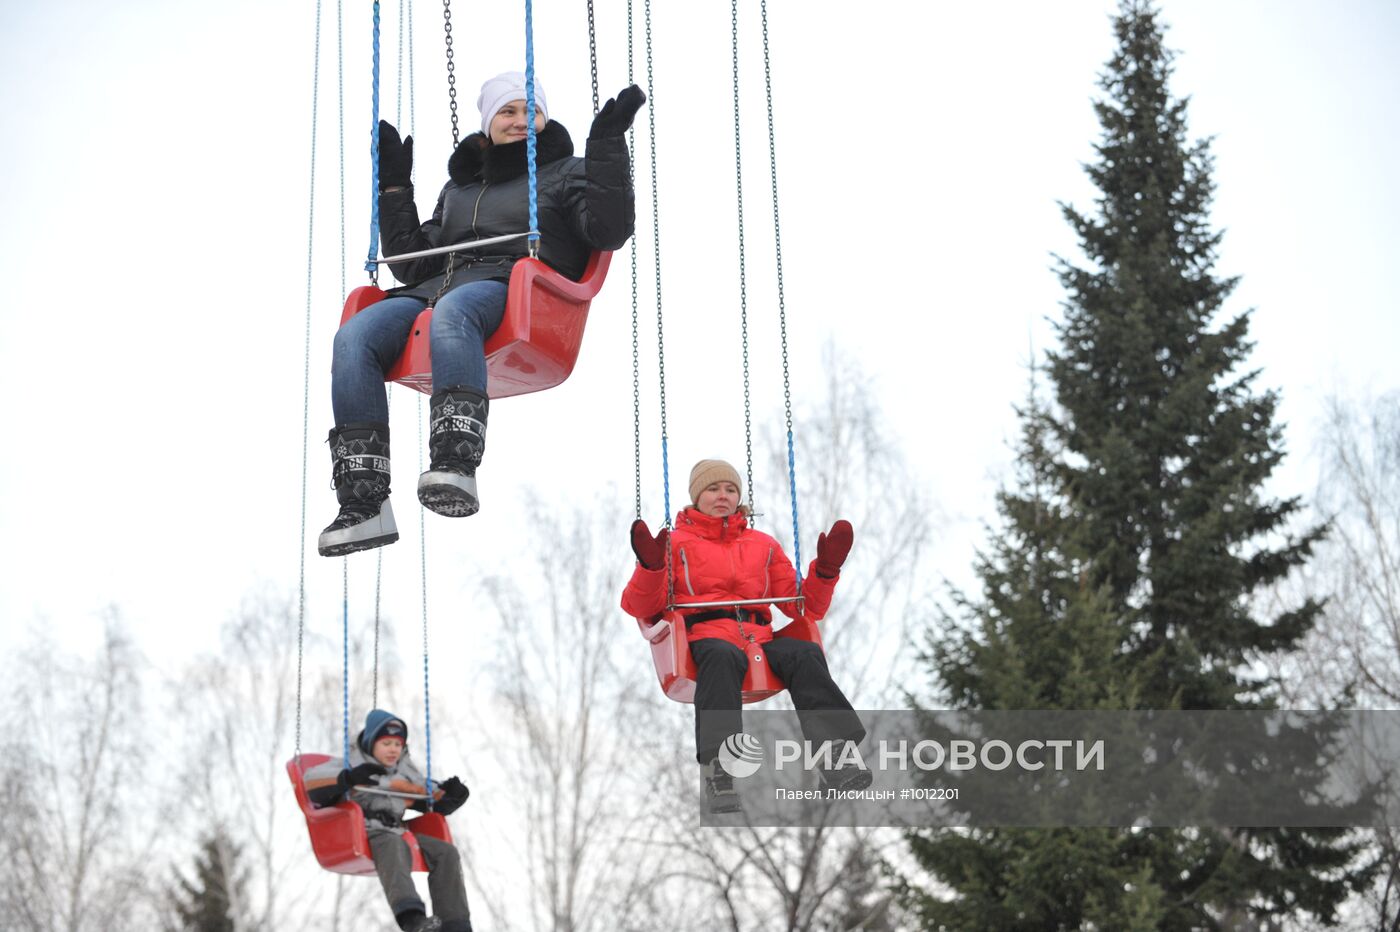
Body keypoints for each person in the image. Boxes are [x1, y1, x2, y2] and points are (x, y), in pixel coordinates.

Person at [319, 71, 644, 557]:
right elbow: (412, 263)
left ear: (544, 118)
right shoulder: (459, 189)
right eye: (507, 113)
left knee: (454, 313)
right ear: (489, 122)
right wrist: (392, 187)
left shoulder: (565, 171)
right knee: (353, 337)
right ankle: (364, 502)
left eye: (528, 112)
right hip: (438, 286)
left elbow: (608, 230)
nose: (519, 122)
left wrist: (606, 151)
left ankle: (455, 464)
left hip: (515, 287)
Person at [620, 459, 871, 813]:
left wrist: (826, 571)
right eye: (713, 489)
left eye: (730, 489)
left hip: (760, 638)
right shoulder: (674, 544)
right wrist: (652, 567)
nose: (723, 496)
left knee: (804, 654)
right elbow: (639, 605)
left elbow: (804, 608)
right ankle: (719, 771)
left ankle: (836, 758)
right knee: (723, 657)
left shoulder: (762, 545)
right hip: (705, 636)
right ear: (696, 496)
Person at [305, 709, 473, 932]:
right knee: (394, 844)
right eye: (386, 743)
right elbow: (311, 782)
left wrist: (450, 795)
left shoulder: (403, 775)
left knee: (446, 852)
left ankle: (455, 923)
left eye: (397, 744)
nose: (393, 749)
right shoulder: (351, 764)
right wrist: (347, 778)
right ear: (370, 743)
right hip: (365, 831)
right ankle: (412, 919)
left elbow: (428, 798)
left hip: (399, 831)